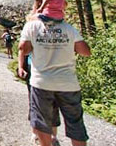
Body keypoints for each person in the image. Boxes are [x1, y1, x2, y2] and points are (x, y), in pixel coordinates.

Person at [18, 16, 91, 146]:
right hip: (68, 83)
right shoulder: (68, 28)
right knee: (75, 122)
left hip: (42, 81)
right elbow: (85, 52)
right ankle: (55, 137)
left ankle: (47, 140)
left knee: (41, 118)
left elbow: (24, 49)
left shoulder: (32, 26)